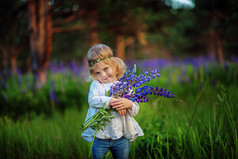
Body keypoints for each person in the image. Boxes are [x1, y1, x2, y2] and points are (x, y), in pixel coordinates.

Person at [81, 44, 144, 159]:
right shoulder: (96, 84)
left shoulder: (125, 85)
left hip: (121, 136)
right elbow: (92, 100)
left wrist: (128, 103)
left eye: (105, 69)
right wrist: (111, 101)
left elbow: (135, 109)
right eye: (97, 73)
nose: (103, 75)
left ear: (114, 65)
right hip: (100, 136)